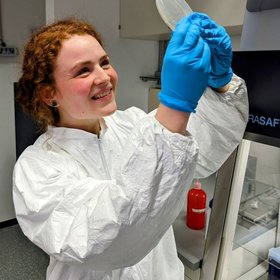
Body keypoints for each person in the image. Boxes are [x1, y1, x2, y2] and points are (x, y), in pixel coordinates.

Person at [13, 13, 248, 280]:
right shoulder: (37, 168)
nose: (104, 77)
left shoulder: (134, 123)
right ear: (49, 94)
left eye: (104, 63)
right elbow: (106, 238)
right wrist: (174, 107)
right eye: (83, 70)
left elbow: (205, 150)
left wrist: (221, 84)